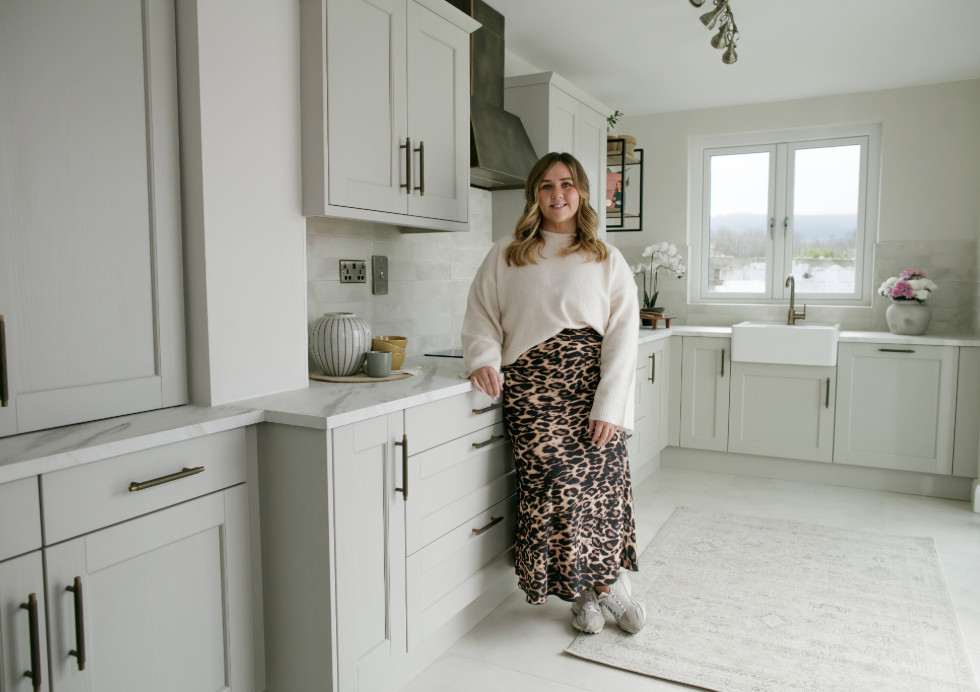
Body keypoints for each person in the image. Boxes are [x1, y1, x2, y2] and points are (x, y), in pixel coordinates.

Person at [461, 152, 644, 635]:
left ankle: (606, 586)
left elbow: (624, 337)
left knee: (604, 489)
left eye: (566, 184)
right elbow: (481, 314)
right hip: (532, 390)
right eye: (546, 185)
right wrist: (482, 357)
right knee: (557, 486)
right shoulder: (507, 252)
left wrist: (609, 405)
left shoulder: (605, 257)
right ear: (533, 195)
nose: (556, 194)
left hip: (592, 385)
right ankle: (580, 590)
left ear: (581, 192)